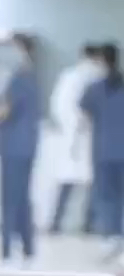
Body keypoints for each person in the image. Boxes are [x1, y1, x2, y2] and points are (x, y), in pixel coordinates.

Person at [0, 33, 40, 267]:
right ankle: (28, 249)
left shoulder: (18, 80)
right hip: (26, 146)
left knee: (9, 199)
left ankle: (7, 250)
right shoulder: (30, 77)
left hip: (14, 148)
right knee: (22, 198)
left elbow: (4, 112)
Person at [48, 44, 105, 234]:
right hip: (88, 137)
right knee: (92, 184)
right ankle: (87, 225)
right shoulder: (99, 77)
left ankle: (56, 224)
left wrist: (72, 123)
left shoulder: (69, 76)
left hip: (73, 137)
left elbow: (58, 106)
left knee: (69, 182)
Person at [80, 43, 124, 262]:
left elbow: (85, 116)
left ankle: (111, 240)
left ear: (102, 61)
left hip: (104, 151)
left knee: (107, 197)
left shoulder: (94, 89)